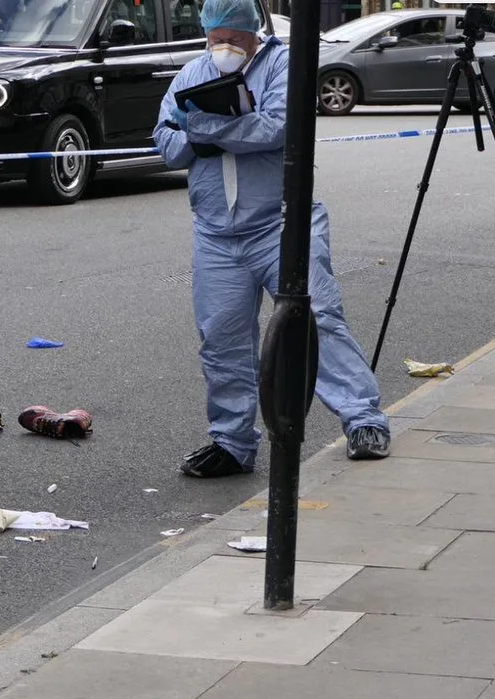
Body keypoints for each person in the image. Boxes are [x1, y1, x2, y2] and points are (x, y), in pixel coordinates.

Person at [152, 0, 391, 478]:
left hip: (281, 223)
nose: (224, 48)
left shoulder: (283, 65)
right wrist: (203, 136)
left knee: (316, 322)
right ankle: (232, 442)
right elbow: (165, 140)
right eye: (215, 38)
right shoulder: (190, 75)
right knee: (221, 340)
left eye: (233, 40)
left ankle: (364, 419)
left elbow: (277, 127)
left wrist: (202, 129)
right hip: (217, 234)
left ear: (252, 33)